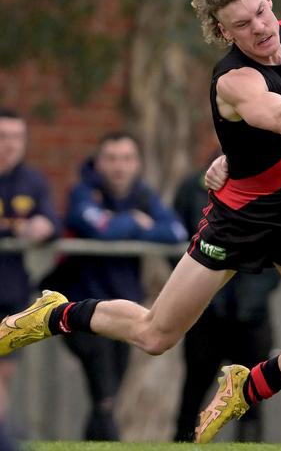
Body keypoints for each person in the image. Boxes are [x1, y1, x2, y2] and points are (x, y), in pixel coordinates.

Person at [0, 0, 281, 445]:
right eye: (242, 24)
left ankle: (248, 385)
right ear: (224, 31)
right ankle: (55, 314)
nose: (258, 28)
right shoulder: (234, 81)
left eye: (260, 12)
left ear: (269, 0)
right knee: (156, 335)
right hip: (240, 218)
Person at [39, 131, 188, 440]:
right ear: (99, 162)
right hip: (79, 309)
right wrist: (135, 222)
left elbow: (174, 231)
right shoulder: (83, 192)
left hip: (125, 309)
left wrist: (125, 222)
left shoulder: (143, 194)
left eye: (126, 159)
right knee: (104, 395)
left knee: (107, 397)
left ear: (137, 164)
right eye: (112, 159)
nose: (119, 167)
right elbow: (102, 231)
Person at [172, 167, 280, 442]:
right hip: (206, 315)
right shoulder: (194, 186)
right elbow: (174, 242)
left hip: (252, 317)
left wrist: (255, 295)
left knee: (251, 400)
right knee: (193, 394)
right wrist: (199, 289)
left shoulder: (277, 184)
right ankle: (182, 443)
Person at [0, 107, 60, 444]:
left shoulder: (32, 181)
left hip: (9, 291)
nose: (9, 144)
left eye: (16, 137)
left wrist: (43, 226)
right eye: (3, 137)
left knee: (3, 374)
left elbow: (51, 220)